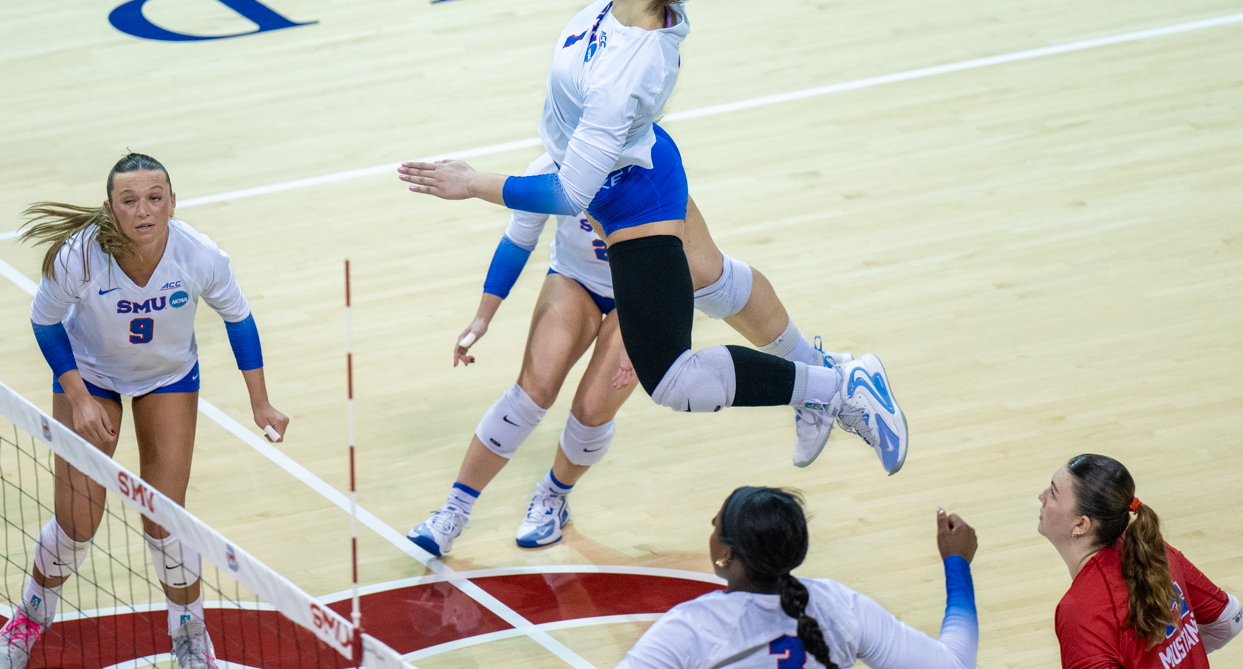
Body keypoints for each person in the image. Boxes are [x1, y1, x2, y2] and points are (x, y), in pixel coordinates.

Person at [398, 0, 908, 476]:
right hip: (639, 160)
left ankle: (837, 391)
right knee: (712, 282)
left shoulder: (626, 74)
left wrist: (473, 182)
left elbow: (569, 194)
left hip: (630, 197)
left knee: (673, 381)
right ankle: (826, 374)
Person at [407, 177, 850, 557]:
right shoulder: (550, 169)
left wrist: (655, 347)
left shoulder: (654, 175)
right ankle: (453, 512)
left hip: (638, 294)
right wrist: (483, 317)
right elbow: (519, 237)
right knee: (534, 389)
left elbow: (686, 267)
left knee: (592, 409)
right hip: (574, 279)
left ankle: (552, 498)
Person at [0, 152, 290, 669]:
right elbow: (44, 322)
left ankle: (189, 629)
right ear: (111, 207)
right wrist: (79, 397)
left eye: (155, 198)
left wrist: (259, 401)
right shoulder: (80, 256)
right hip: (92, 375)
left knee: (165, 518)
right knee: (78, 522)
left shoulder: (201, 256)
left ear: (173, 202)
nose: (143, 210)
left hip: (167, 377)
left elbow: (239, 320)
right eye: (129, 201)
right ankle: (32, 614)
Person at [616, 487, 979, 669]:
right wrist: (956, 563)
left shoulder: (692, 627)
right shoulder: (839, 606)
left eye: (715, 527)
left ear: (726, 552)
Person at [1040, 454, 1242, 669]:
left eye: (1053, 493)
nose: (1041, 496)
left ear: (1081, 524)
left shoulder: (1081, 610)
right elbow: (1229, 618)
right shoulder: (1151, 551)